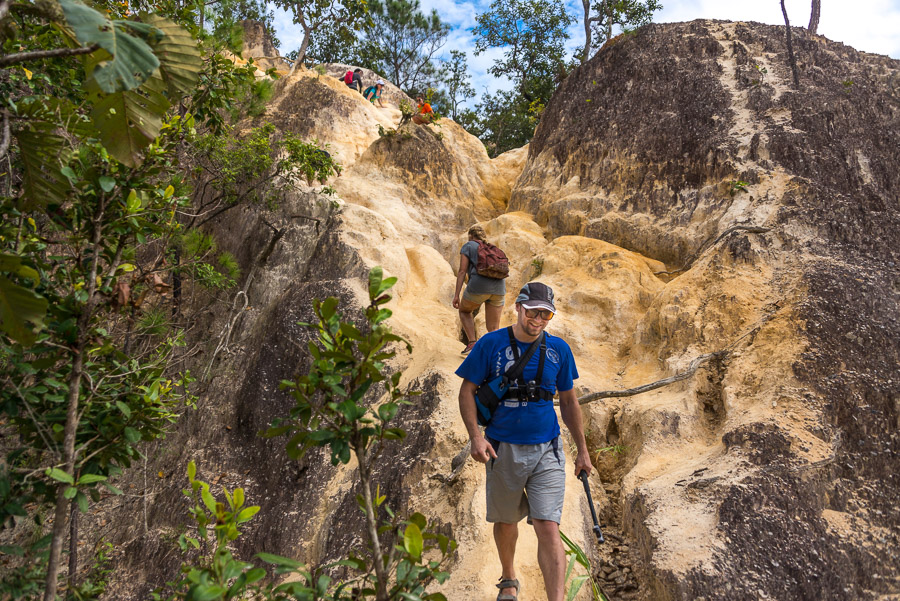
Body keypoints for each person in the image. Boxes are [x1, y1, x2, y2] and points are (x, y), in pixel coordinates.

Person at [456, 282, 591, 601]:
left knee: (548, 526)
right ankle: (509, 579)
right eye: (533, 311)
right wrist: (476, 437)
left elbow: (570, 402)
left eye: (545, 313)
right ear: (518, 307)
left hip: (548, 449)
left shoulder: (559, 350)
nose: (538, 318)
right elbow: (467, 391)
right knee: (505, 521)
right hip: (502, 448)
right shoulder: (490, 344)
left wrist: (582, 451)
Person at [453, 225, 505, 354]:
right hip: (499, 288)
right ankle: (496, 353)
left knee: (464, 311)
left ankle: (472, 343)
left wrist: (456, 295)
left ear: (471, 236)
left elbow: (462, 271)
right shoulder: (493, 247)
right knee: (493, 328)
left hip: (478, 286)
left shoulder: (469, 245)